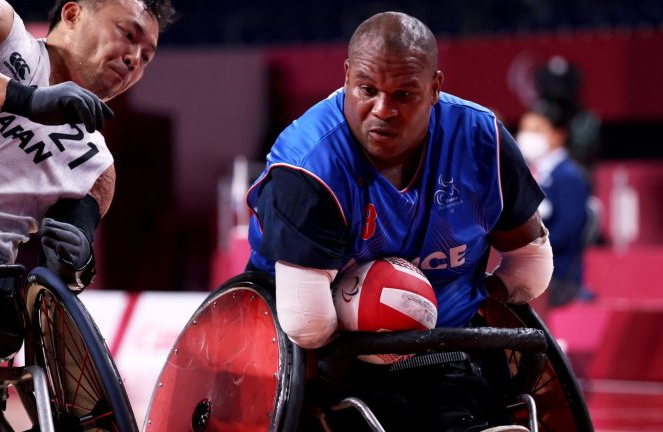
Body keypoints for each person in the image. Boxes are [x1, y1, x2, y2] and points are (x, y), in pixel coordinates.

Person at [246, 11, 552, 432]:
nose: (383, 110)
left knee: (459, 400)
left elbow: (530, 268)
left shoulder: (483, 140)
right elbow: (308, 324)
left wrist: (476, 297)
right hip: (324, 354)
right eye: (367, 90)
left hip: (444, 347)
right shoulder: (308, 164)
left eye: (404, 95)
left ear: (435, 88)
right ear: (347, 76)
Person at [0, 0, 175, 430]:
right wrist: (28, 100)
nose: (134, 58)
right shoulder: (0, 28)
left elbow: (68, 269)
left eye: (147, 56)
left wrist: (78, 259)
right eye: (128, 34)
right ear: (73, 13)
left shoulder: (95, 166)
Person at [516, 101, 593, 310]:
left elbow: (568, 232)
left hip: (558, 278)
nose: (526, 136)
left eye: (536, 130)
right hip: (526, 271)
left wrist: (524, 246)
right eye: (524, 129)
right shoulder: (526, 175)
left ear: (559, 135)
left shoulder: (570, 177)